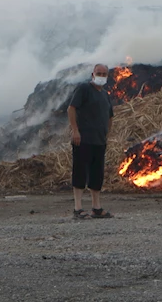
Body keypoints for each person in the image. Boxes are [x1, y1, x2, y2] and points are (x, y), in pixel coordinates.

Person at [68, 63, 114, 219]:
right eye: (98, 73)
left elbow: (109, 116)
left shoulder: (105, 95)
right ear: (92, 74)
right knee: (80, 171)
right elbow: (71, 108)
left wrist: (106, 133)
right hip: (83, 139)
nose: (101, 76)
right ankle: (78, 208)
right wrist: (75, 130)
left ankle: (96, 207)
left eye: (104, 74)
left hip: (99, 140)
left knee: (97, 173)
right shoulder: (84, 89)